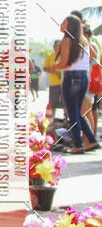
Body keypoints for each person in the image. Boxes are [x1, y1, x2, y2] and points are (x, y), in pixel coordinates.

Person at [53, 15, 99, 153]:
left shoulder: (67, 40)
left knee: (73, 114)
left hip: (72, 77)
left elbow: (65, 62)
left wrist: (56, 66)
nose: (60, 24)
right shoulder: (84, 39)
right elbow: (93, 56)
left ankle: (78, 145)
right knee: (78, 113)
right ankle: (91, 140)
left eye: (63, 22)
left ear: (70, 26)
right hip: (84, 77)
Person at [43, 40, 63, 118]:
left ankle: (66, 120)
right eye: (55, 46)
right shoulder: (50, 56)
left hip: (64, 83)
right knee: (53, 103)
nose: (56, 47)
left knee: (65, 104)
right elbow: (45, 68)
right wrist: (55, 72)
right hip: (53, 83)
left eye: (58, 46)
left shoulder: (65, 55)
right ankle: (51, 121)